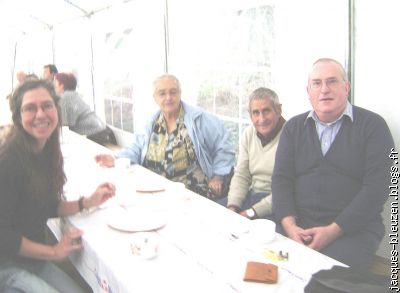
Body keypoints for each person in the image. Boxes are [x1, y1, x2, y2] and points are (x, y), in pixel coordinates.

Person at [271, 58, 394, 270]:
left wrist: (332, 231)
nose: (324, 89)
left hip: (352, 232)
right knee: (266, 268)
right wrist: (290, 227)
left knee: (324, 279)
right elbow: (281, 180)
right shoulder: (293, 128)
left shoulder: (374, 127)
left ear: (346, 87)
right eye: (317, 83)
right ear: (308, 91)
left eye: (332, 81)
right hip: (297, 225)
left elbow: (377, 190)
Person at [0, 80, 116, 292]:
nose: (40, 114)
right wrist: (54, 252)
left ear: (57, 109)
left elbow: (45, 205)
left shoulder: (45, 152)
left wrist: (87, 202)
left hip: (32, 260)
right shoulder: (8, 161)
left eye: (47, 105)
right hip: (5, 265)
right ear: (18, 117)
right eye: (30, 108)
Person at [96, 74, 235, 201]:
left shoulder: (199, 119)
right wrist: (117, 159)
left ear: (180, 94)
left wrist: (218, 176)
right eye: (162, 93)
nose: (168, 97)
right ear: (155, 98)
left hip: (190, 192)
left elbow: (224, 145)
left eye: (173, 92)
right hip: (153, 189)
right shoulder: (151, 122)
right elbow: (136, 148)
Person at [227, 87, 285, 219]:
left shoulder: (291, 136)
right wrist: (233, 206)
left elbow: (286, 190)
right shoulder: (248, 134)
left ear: (279, 110)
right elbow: (242, 175)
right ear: (250, 114)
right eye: (256, 113)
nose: (261, 119)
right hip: (251, 196)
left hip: (276, 205)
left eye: (266, 111)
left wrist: (251, 213)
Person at [54, 72, 116, 146]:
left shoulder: (64, 98)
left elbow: (64, 126)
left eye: (55, 82)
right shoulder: (73, 94)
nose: (53, 85)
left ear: (62, 85)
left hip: (92, 133)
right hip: (100, 129)